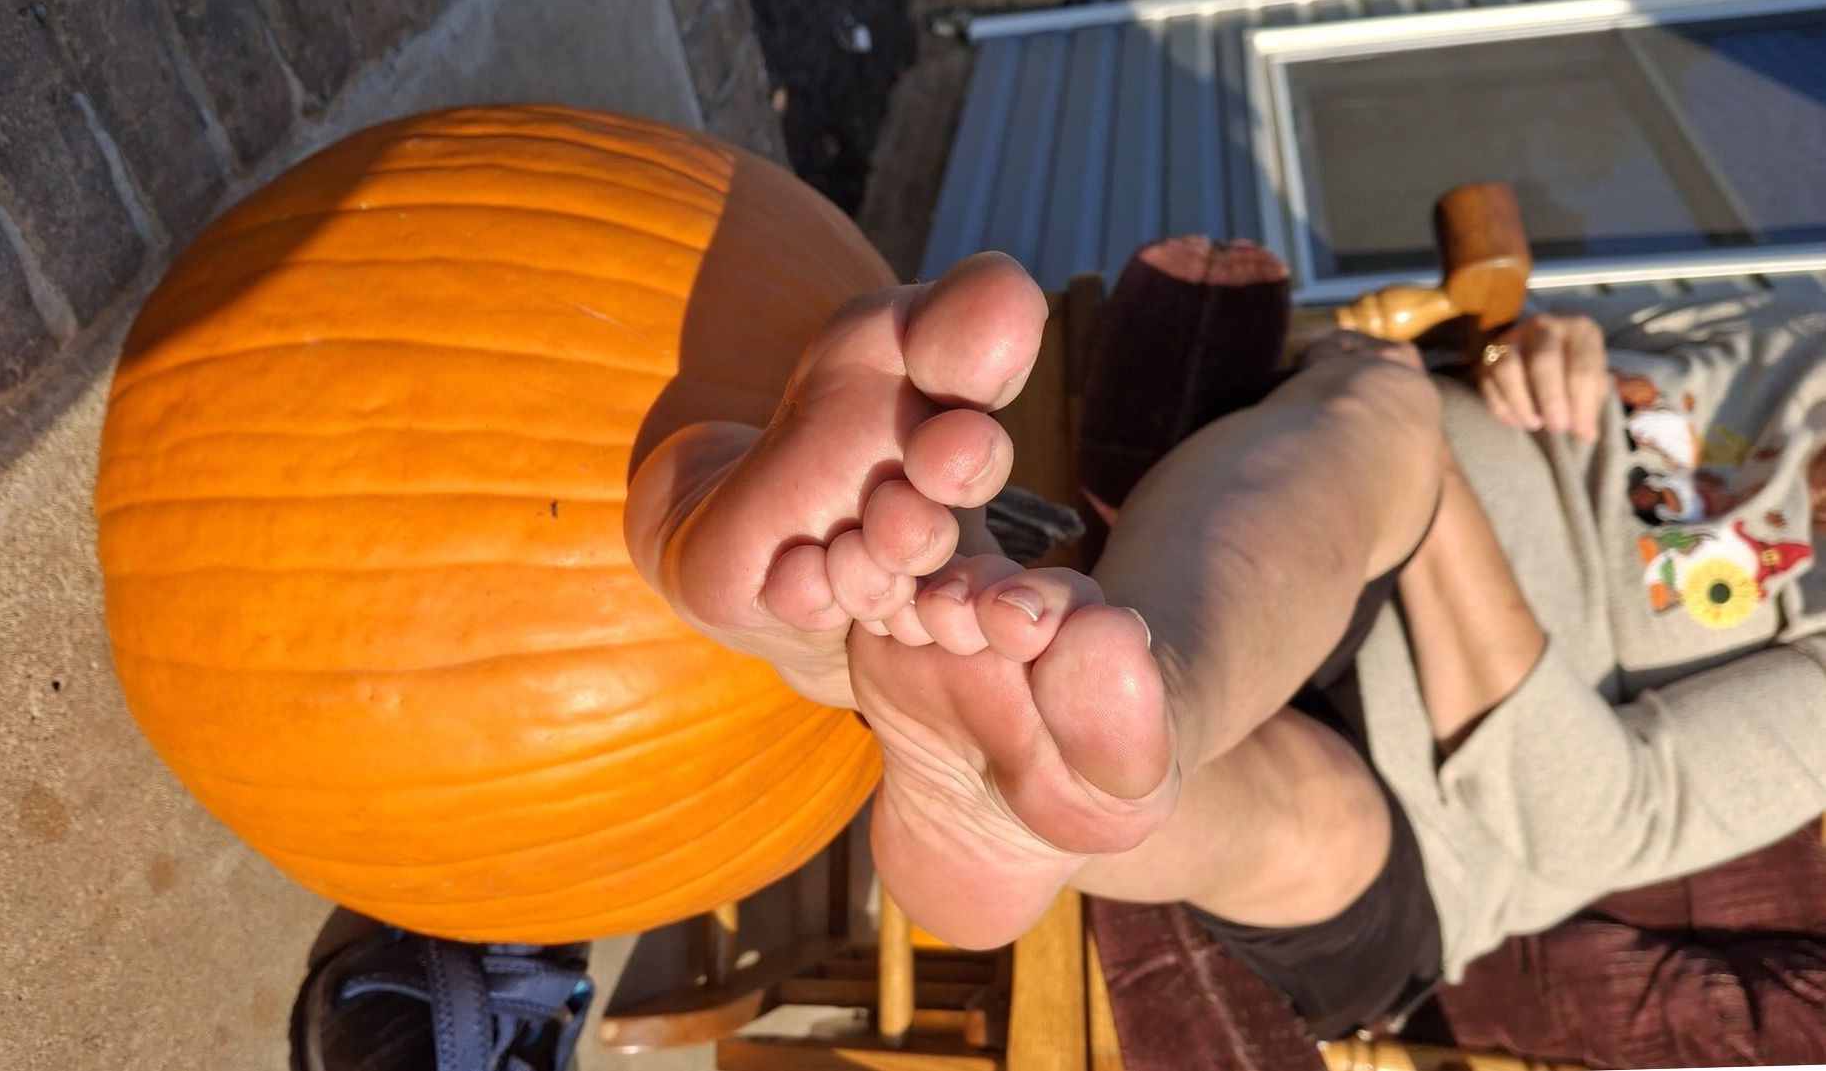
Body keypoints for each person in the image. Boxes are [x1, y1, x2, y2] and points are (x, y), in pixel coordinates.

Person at [623, 251, 1826, 1040]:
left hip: (1439, 833)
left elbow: (1599, 819)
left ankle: (1047, 738)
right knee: (1363, 419)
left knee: (1313, 820)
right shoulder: (1792, 337)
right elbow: (1511, 347)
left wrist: (1445, 492)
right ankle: (1049, 686)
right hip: (1330, 509)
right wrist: (1523, 347)